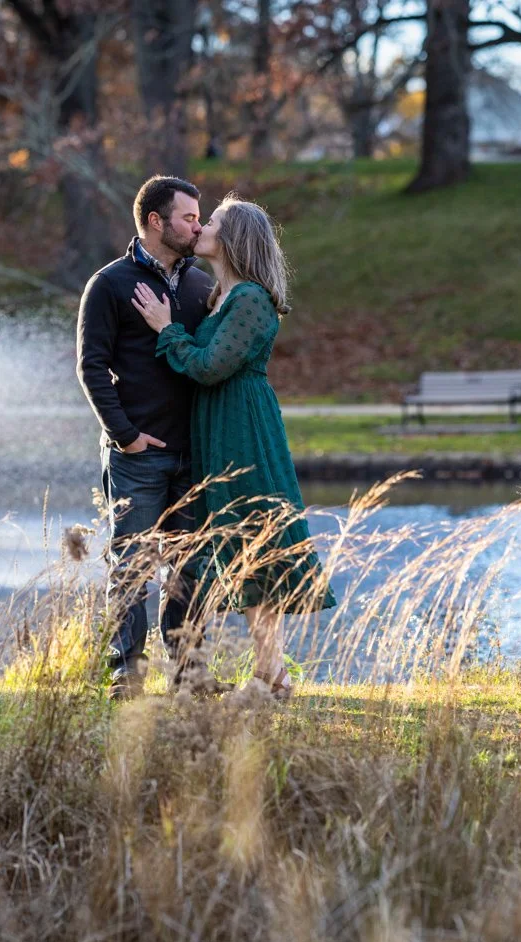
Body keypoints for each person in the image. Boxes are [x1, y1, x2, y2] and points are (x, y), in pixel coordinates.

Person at [130, 195, 335, 699]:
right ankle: (272, 672)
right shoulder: (221, 295)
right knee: (243, 543)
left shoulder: (251, 299)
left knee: (255, 539)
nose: (200, 227)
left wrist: (166, 328)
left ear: (233, 238)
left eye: (211, 222)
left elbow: (209, 366)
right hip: (219, 425)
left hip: (243, 427)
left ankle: (274, 673)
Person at [76, 176, 214, 699]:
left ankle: (190, 673)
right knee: (131, 565)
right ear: (156, 222)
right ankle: (125, 673)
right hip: (138, 455)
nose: (197, 226)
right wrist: (127, 436)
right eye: (188, 218)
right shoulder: (109, 284)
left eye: (199, 218)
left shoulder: (203, 285)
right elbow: (91, 369)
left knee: (192, 567)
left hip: (193, 453)